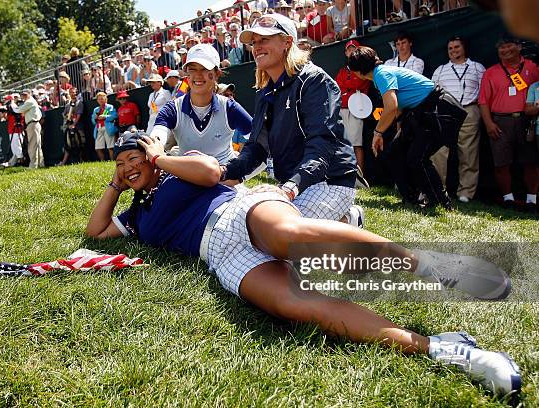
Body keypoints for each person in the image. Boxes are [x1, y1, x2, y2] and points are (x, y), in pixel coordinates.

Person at [86, 130, 521, 398]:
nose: (127, 168)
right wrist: (114, 184)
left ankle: (431, 265)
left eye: (132, 158)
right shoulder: (136, 216)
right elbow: (95, 232)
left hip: (242, 213)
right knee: (295, 306)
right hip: (218, 254)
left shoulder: (178, 168)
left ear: (150, 156)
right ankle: (448, 350)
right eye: (121, 164)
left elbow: (211, 175)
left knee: (289, 239)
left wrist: (160, 157)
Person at [221, 14, 363, 226]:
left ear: (287, 42)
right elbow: (256, 147)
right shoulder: (264, 91)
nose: (256, 47)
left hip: (329, 181)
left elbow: (321, 144)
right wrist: (224, 171)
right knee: (249, 228)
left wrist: (290, 188)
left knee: (279, 233)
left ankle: (348, 218)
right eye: (254, 42)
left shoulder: (314, 80)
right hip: (293, 183)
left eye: (264, 39)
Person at [348, 46, 468, 210]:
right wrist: (400, 131)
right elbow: (398, 109)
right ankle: (411, 198)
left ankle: (440, 202)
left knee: (417, 158)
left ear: (358, 71)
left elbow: (391, 106)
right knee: (394, 153)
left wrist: (378, 133)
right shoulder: (380, 75)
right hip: (420, 113)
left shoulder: (381, 74)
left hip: (436, 110)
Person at [150, 44, 252, 165]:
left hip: (225, 180)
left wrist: (238, 175)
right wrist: (155, 144)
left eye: (204, 68)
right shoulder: (172, 109)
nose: (198, 74)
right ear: (187, 74)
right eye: (192, 69)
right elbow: (158, 135)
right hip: (187, 179)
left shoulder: (229, 107)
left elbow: (261, 141)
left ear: (217, 74)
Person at [479, 34, 538, 212]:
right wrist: (488, 123)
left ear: (519, 47)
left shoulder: (532, 67)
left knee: (531, 162)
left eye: (508, 46)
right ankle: (508, 199)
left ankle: (532, 200)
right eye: (501, 48)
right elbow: (483, 101)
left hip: (527, 120)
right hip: (500, 121)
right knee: (501, 163)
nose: (504, 50)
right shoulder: (491, 72)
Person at [431, 37, 486, 203]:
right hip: (446, 112)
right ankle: (438, 188)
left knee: (469, 152)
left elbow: (484, 92)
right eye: (450, 48)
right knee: (439, 152)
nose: (453, 50)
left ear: (464, 48)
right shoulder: (440, 70)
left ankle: (466, 193)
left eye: (456, 47)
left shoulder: (477, 67)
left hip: (469, 109)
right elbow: (433, 92)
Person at [335, 39, 371, 172]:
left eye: (354, 49)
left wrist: (347, 88)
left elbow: (357, 85)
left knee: (356, 144)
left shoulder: (363, 69)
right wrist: (349, 89)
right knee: (343, 144)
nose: (351, 51)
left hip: (357, 109)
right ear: (345, 52)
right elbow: (338, 87)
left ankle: (360, 176)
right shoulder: (342, 71)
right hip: (342, 108)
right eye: (349, 49)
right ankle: (346, 174)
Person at [14, 90, 44, 168]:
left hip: (33, 124)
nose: (23, 96)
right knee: (37, 145)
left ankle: (33, 166)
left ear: (29, 94)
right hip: (34, 124)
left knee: (32, 145)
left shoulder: (29, 101)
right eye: (22, 95)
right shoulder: (31, 101)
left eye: (25, 94)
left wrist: (12, 105)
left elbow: (18, 110)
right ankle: (40, 164)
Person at [59, 88, 85, 166]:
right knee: (68, 145)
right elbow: (64, 114)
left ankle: (81, 160)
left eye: (74, 92)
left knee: (80, 143)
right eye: (71, 92)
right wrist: (66, 116)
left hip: (78, 127)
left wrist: (74, 124)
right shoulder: (68, 104)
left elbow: (79, 115)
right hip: (68, 127)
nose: (73, 94)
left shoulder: (79, 103)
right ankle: (65, 162)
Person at [91, 92, 118, 161]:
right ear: (97, 100)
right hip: (98, 129)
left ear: (106, 99)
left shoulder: (110, 107)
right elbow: (93, 121)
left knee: (110, 147)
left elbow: (115, 116)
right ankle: (102, 161)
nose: (101, 100)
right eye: (99, 99)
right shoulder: (96, 109)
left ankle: (112, 161)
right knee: (98, 148)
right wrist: (95, 118)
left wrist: (105, 116)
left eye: (102, 99)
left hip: (108, 128)